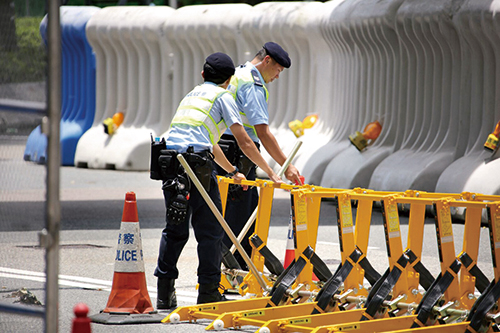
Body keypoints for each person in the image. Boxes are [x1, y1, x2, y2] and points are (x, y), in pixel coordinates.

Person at [153, 52, 282, 309]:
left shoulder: (192, 95)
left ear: (203, 74)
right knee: (210, 232)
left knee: (175, 229)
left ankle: (164, 294)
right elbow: (244, 140)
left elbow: (210, 141)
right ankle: (209, 291)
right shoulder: (223, 96)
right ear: (229, 79)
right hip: (196, 166)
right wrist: (270, 171)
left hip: (170, 163)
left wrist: (233, 171)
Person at [216, 42, 302, 270]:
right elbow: (262, 132)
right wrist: (287, 165)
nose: (276, 76)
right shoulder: (253, 84)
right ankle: (238, 272)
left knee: (230, 210)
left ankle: (231, 269)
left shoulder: (236, 73)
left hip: (223, 148)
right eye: (278, 70)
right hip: (238, 152)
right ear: (267, 61)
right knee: (241, 214)